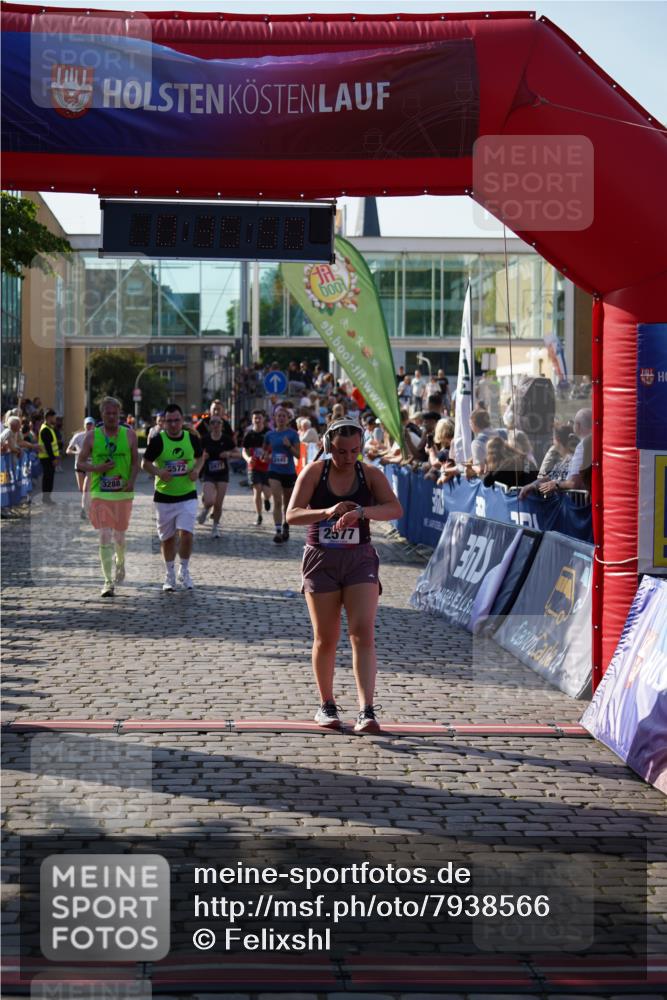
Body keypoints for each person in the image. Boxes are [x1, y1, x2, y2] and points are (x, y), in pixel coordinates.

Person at [286, 420, 403, 733]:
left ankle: (367, 710)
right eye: (340, 451)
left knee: (362, 632)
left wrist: (361, 512)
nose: (348, 457)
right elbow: (292, 515)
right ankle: (327, 703)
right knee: (326, 637)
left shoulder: (369, 474)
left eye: (354, 450)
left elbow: (394, 509)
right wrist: (327, 511)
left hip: (358, 559)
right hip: (320, 558)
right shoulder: (314, 472)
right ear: (327, 446)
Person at [77, 398, 139, 597]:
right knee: (104, 534)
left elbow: (136, 462)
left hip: (122, 492)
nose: (112, 417)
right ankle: (107, 582)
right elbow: (80, 463)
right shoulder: (91, 437)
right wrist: (97, 468)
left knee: (119, 535)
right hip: (100, 493)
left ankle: (120, 562)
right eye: (108, 414)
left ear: (119, 414)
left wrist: (131, 481)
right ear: (101, 415)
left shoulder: (129, 435)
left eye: (115, 414)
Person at [141, 403, 205, 591]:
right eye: (169, 421)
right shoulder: (158, 441)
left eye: (177, 420)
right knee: (167, 538)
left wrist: (197, 470)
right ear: (164, 423)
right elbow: (145, 463)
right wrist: (158, 471)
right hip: (164, 497)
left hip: (187, 495)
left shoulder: (191, 438)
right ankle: (169, 574)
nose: (174, 424)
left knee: (186, 533)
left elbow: (201, 457)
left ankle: (184, 570)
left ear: (182, 420)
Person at [196, 413, 238, 537]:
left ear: (222, 425)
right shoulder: (204, 439)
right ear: (209, 426)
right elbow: (195, 455)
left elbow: (238, 454)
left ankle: (215, 527)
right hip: (208, 473)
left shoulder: (226, 439)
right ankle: (205, 511)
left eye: (218, 423)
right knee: (209, 500)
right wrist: (202, 456)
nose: (215, 425)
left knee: (218, 503)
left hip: (222, 474)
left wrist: (228, 454)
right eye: (212, 423)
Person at [265, 407, 300, 543]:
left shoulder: (292, 434)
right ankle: (278, 531)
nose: (281, 418)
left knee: (288, 503)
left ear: (288, 419)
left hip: (289, 472)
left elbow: (298, 454)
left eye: (283, 416)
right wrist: (266, 456)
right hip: (274, 471)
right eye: (278, 416)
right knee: (277, 501)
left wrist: (289, 446)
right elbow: (265, 450)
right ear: (274, 418)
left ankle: (286, 526)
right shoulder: (270, 435)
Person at [519, 423, 578, 498]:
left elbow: (574, 483)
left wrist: (556, 484)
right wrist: (532, 485)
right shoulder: (561, 462)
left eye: (553, 438)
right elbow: (549, 477)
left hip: (567, 506)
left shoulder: (573, 461)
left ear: (557, 439)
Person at [242, 410, 272, 526]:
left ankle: (267, 500)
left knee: (267, 492)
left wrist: (269, 456)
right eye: (255, 418)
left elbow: (274, 448)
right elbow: (244, 451)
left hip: (267, 467)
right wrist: (248, 459)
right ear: (252, 420)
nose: (258, 420)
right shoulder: (249, 434)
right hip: (254, 466)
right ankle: (259, 515)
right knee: (257, 490)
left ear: (263, 419)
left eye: (259, 418)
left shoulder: (269, 433)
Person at [67, 416, 96, 519]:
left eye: (90, 424)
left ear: (94, 426)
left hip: (90, 465)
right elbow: (68, 450)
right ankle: (89, 505)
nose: (89, 426)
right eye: (87, 424)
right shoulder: (78, 436)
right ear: (84, 425)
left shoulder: (97, 437)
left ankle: (84, 509)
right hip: (79, 465)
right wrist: (77, 452)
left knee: (86, 489)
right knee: (81, 489)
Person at [38, 409, 60, 503]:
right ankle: (46, 498)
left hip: (49, 458)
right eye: (54, 417)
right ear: (48, 417)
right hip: (47, 458)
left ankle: (47, 498)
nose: (55, 419)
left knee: (49, 478)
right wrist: (53, 459)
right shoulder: (45, 430)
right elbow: (48, 446)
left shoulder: (49, 428)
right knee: (48, 479)